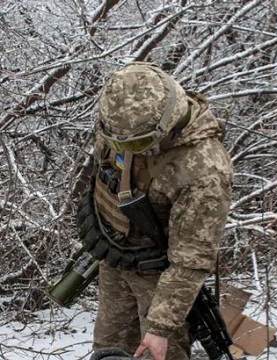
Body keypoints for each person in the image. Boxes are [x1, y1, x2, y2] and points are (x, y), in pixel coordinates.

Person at [76, 62, 233, 360]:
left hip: (163, 280)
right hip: (115, 257)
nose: (128, 149)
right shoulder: (120, 124)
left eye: (138, 143)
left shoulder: (203, 169)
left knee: (155, 354)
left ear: (167, 122)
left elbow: (190, 260)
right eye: (119, 141)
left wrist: (160, 327)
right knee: (108, 351)